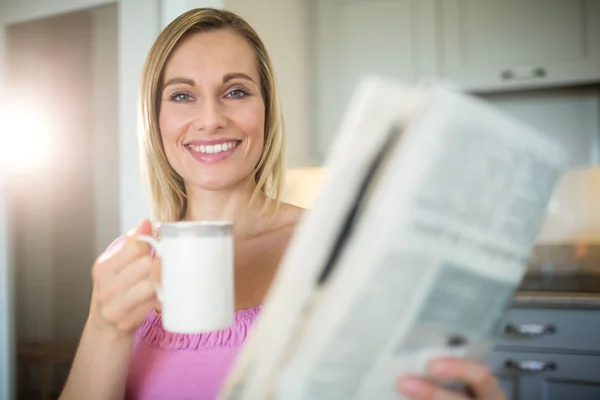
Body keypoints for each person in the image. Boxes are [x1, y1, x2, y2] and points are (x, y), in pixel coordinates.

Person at [60, 8, 508, 400]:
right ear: (154, 121)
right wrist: (105, 325)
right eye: (181, 95)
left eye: (236, 91)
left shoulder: (339, 249)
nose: (212, 119)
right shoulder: (127, 262)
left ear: (267, 110)